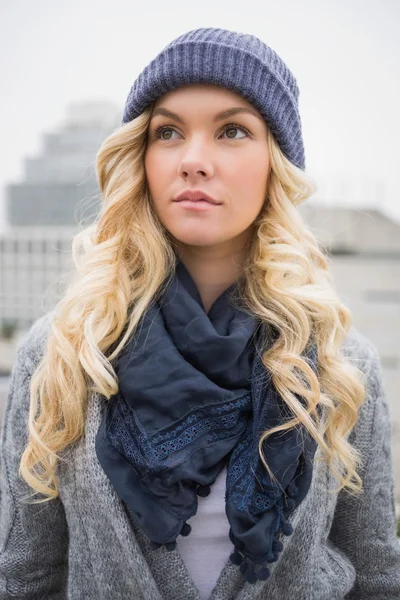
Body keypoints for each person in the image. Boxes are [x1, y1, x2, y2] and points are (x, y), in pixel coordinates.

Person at [0, 27, 399, 600]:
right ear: (143, 156)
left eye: (232, 131)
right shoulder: (64, 351)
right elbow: (23, 577)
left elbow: (379, 575)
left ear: (275, 162)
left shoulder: (336, 364)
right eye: (168, 132)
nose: (193, 160)